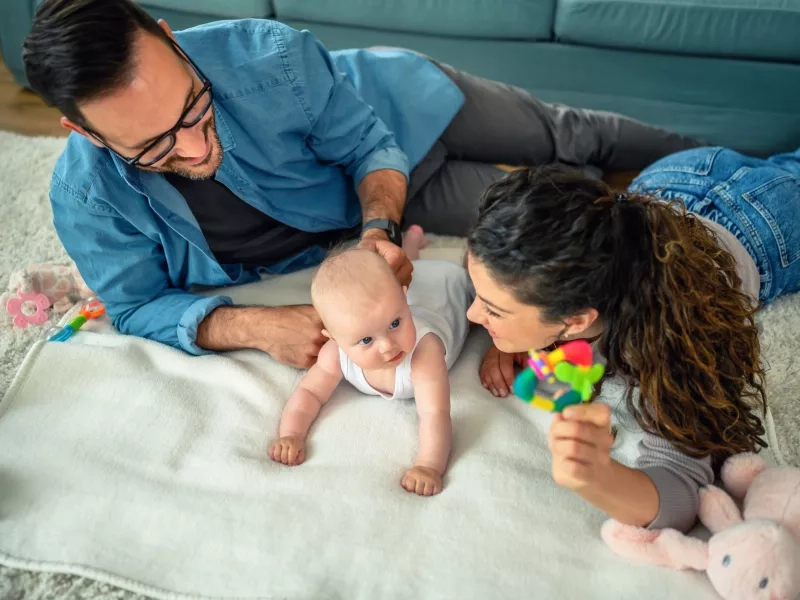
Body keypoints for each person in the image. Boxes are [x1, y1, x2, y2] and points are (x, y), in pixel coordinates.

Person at [22, 0, 701, 368]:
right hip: (364, 211)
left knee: (565, 135)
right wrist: (251, 324)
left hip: (405, 109)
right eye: (156, 146)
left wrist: (380, 227)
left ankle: (712, 156)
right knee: (571, 209)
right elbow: (137, 306)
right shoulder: (86, 200)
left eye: (195, 108)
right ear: (83, 132)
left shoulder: (269, 55)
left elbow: (369, 142)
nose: (198, 147)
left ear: (172, 40)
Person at [467, 146, 800, 531]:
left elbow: (680, 490)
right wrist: (508, 333)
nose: (472, 315)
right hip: (678, 173)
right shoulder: (547, 264)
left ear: (576, 320)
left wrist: (597, 477)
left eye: (492, 309)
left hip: (769, 224)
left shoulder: (669, 340)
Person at [270, 227, 470, 496]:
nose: (388, 346)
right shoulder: (336, 353)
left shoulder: (425, 354)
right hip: (409, 294)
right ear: (334, 339)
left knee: (444, 276)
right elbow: (309, 392)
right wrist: (291, 434)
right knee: (406, 281)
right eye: (366, 341)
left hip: (447, 290)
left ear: (403, 299)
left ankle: (416, 250)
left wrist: (429, 466)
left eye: (396, 323)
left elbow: (435, 415)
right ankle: (413, 243)